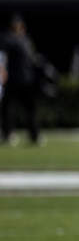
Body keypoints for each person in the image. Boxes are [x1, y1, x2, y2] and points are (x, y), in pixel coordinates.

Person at [0, 14, 42, 147]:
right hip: (13, 79)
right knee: (8, 108)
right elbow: (3, 57)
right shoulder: (7, 39)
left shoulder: (26, 40)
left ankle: (34, 134)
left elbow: (32, 58)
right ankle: (8, 133)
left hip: (26, 79)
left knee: (30, 109)